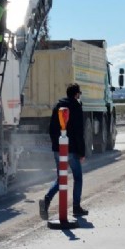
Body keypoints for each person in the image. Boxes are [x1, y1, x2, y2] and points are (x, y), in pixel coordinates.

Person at [39, 83, 88, 219]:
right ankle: (76, 207)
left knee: (62, 178)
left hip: (59, 148)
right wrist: (82, 153)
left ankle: (47, 199)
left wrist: (57, 145)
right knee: (77, 177)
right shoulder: (76, 107)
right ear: (76, 94)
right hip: (72, 150)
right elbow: (79, 132)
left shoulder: (57, 106)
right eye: (79, 94)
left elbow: (51, 129)